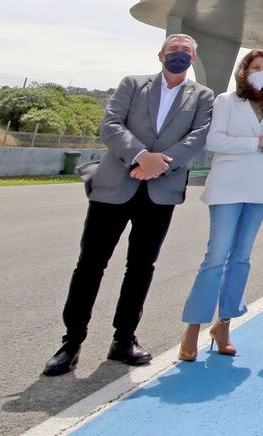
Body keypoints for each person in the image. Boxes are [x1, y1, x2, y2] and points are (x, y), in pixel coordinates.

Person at [43, 34, 214, 376]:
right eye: (173, 50)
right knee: (90, 264)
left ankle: (124, 339)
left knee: (141, 267)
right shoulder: (133, 84)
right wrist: (140, 157)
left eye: (185, 51)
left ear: (193, 58)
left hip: (160, 190)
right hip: (115, 186)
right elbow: (110, 125)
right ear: (160, 55)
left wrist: (159, 163)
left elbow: (199, 136)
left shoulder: (203, 96)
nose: (178, 55)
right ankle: (71, 342)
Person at [177, 49, 263, 360]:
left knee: (241, 257)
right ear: (244, 70)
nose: (261, 71)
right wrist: (255, 144)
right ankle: (193, 327)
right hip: (228, 187)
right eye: (256, 66)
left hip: (259, 188)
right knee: (216, 256)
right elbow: (214, 141)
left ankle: (223, 323)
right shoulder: (226, 101)